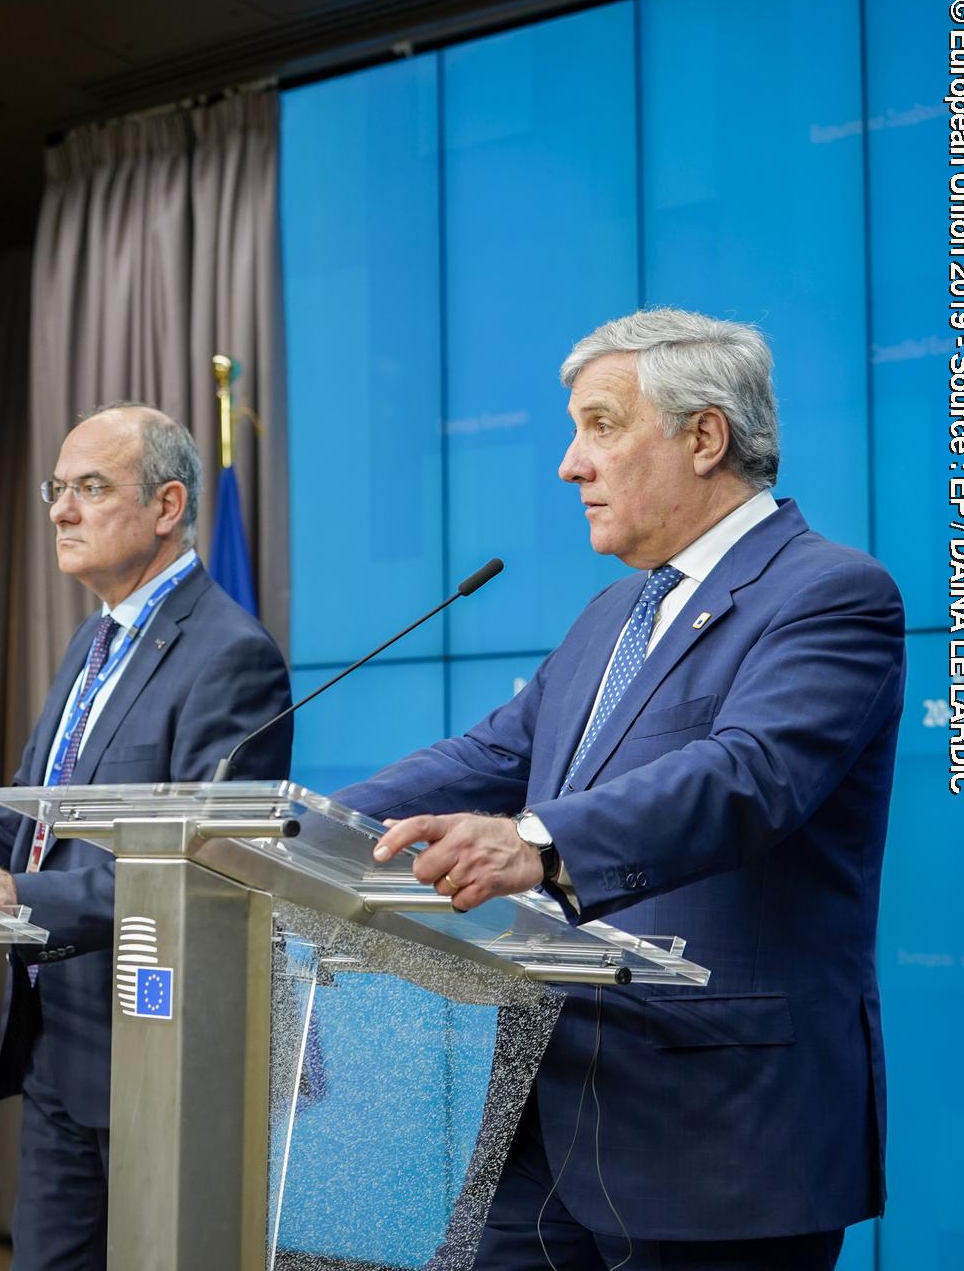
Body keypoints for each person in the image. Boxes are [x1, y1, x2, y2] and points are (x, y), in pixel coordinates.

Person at [336, 309, 903, 1268]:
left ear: (704, 437)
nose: (569, 463)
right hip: (552, 1114)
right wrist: (296, 820)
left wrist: (538, 843)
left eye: (600, 426)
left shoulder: (830, 593)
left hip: (721, 1141)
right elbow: (486, 756)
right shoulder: (614, 613)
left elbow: (749, 774)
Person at [0, 404, 293, 1271]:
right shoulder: (96, 640)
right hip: (56, 1046)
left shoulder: (231, 654)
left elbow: (206, 872)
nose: (60, 512)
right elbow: (23, 816)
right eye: (57, 489)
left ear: (167, 505)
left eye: (90, 488)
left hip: (159, 1055)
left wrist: (19, 895)